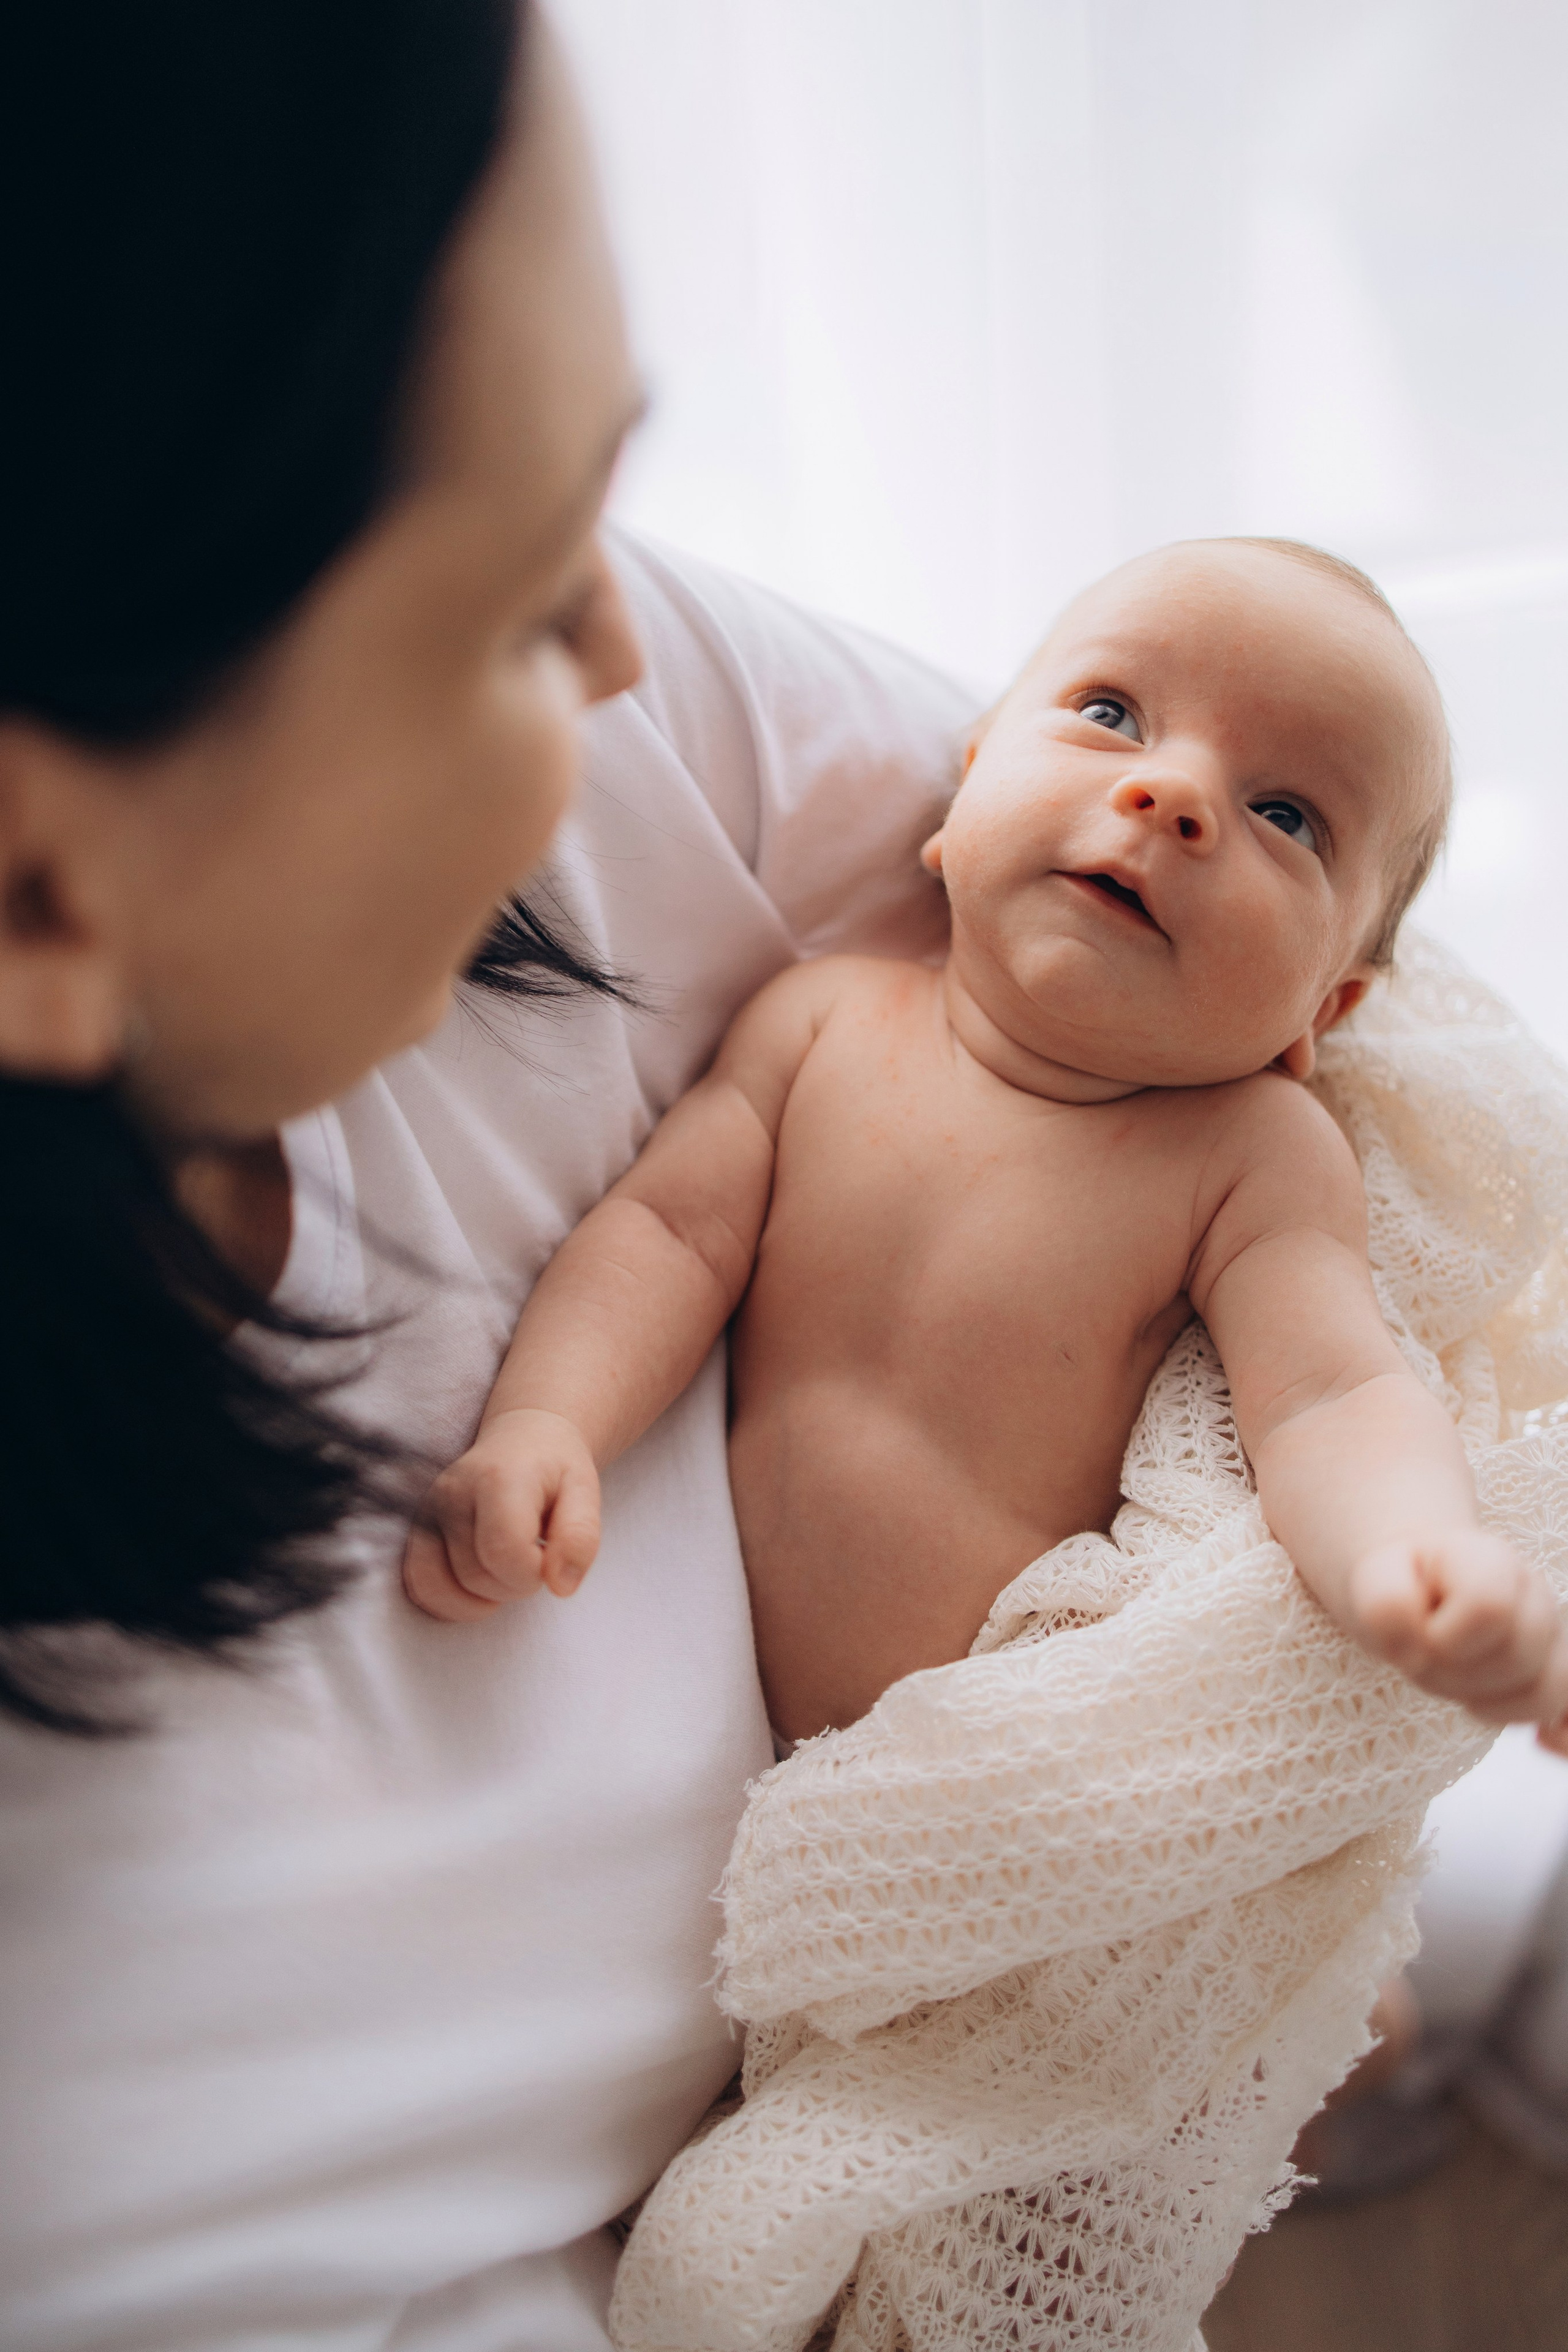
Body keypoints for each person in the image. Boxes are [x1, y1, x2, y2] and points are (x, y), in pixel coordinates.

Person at [0, 8, 974, 2348]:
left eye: (601, 502)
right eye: (534, 602)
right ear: (39, 894)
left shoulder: (632, 739)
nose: (632, 640)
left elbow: (1327, 969)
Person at [404, 537, 1568, 1752]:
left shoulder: (1247, 1154)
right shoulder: (818, 1023)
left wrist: (1416, 1557)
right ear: (960, 797)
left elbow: (1330, 1397)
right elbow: (665, 1233)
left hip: (1035, 1770)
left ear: (1323, 1010)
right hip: (711, 1755)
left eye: (1284, 814)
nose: (1169, 797)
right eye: (1110, 713)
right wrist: (545, 1424)